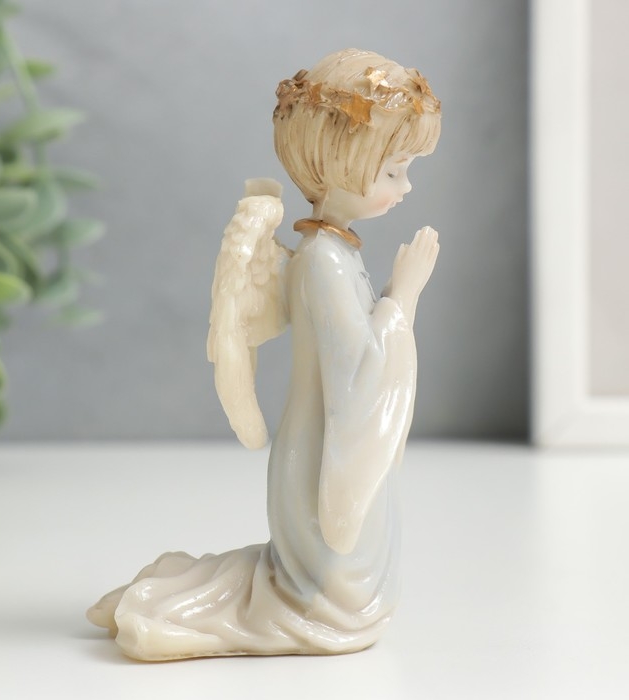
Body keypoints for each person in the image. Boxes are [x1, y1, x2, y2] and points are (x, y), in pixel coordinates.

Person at [87, 48, 441, 661]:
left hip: (324, 443)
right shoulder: (324, 262)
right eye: (393, 171)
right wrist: (403, 298)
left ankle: (200, 592)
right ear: (340, 165)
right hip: (324, 456)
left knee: (339, 585)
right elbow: (361, 381)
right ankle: (195, 610)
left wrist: (391, 302)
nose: (405, 187)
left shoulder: (335, 253)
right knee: (332, 599)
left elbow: (359, 361)